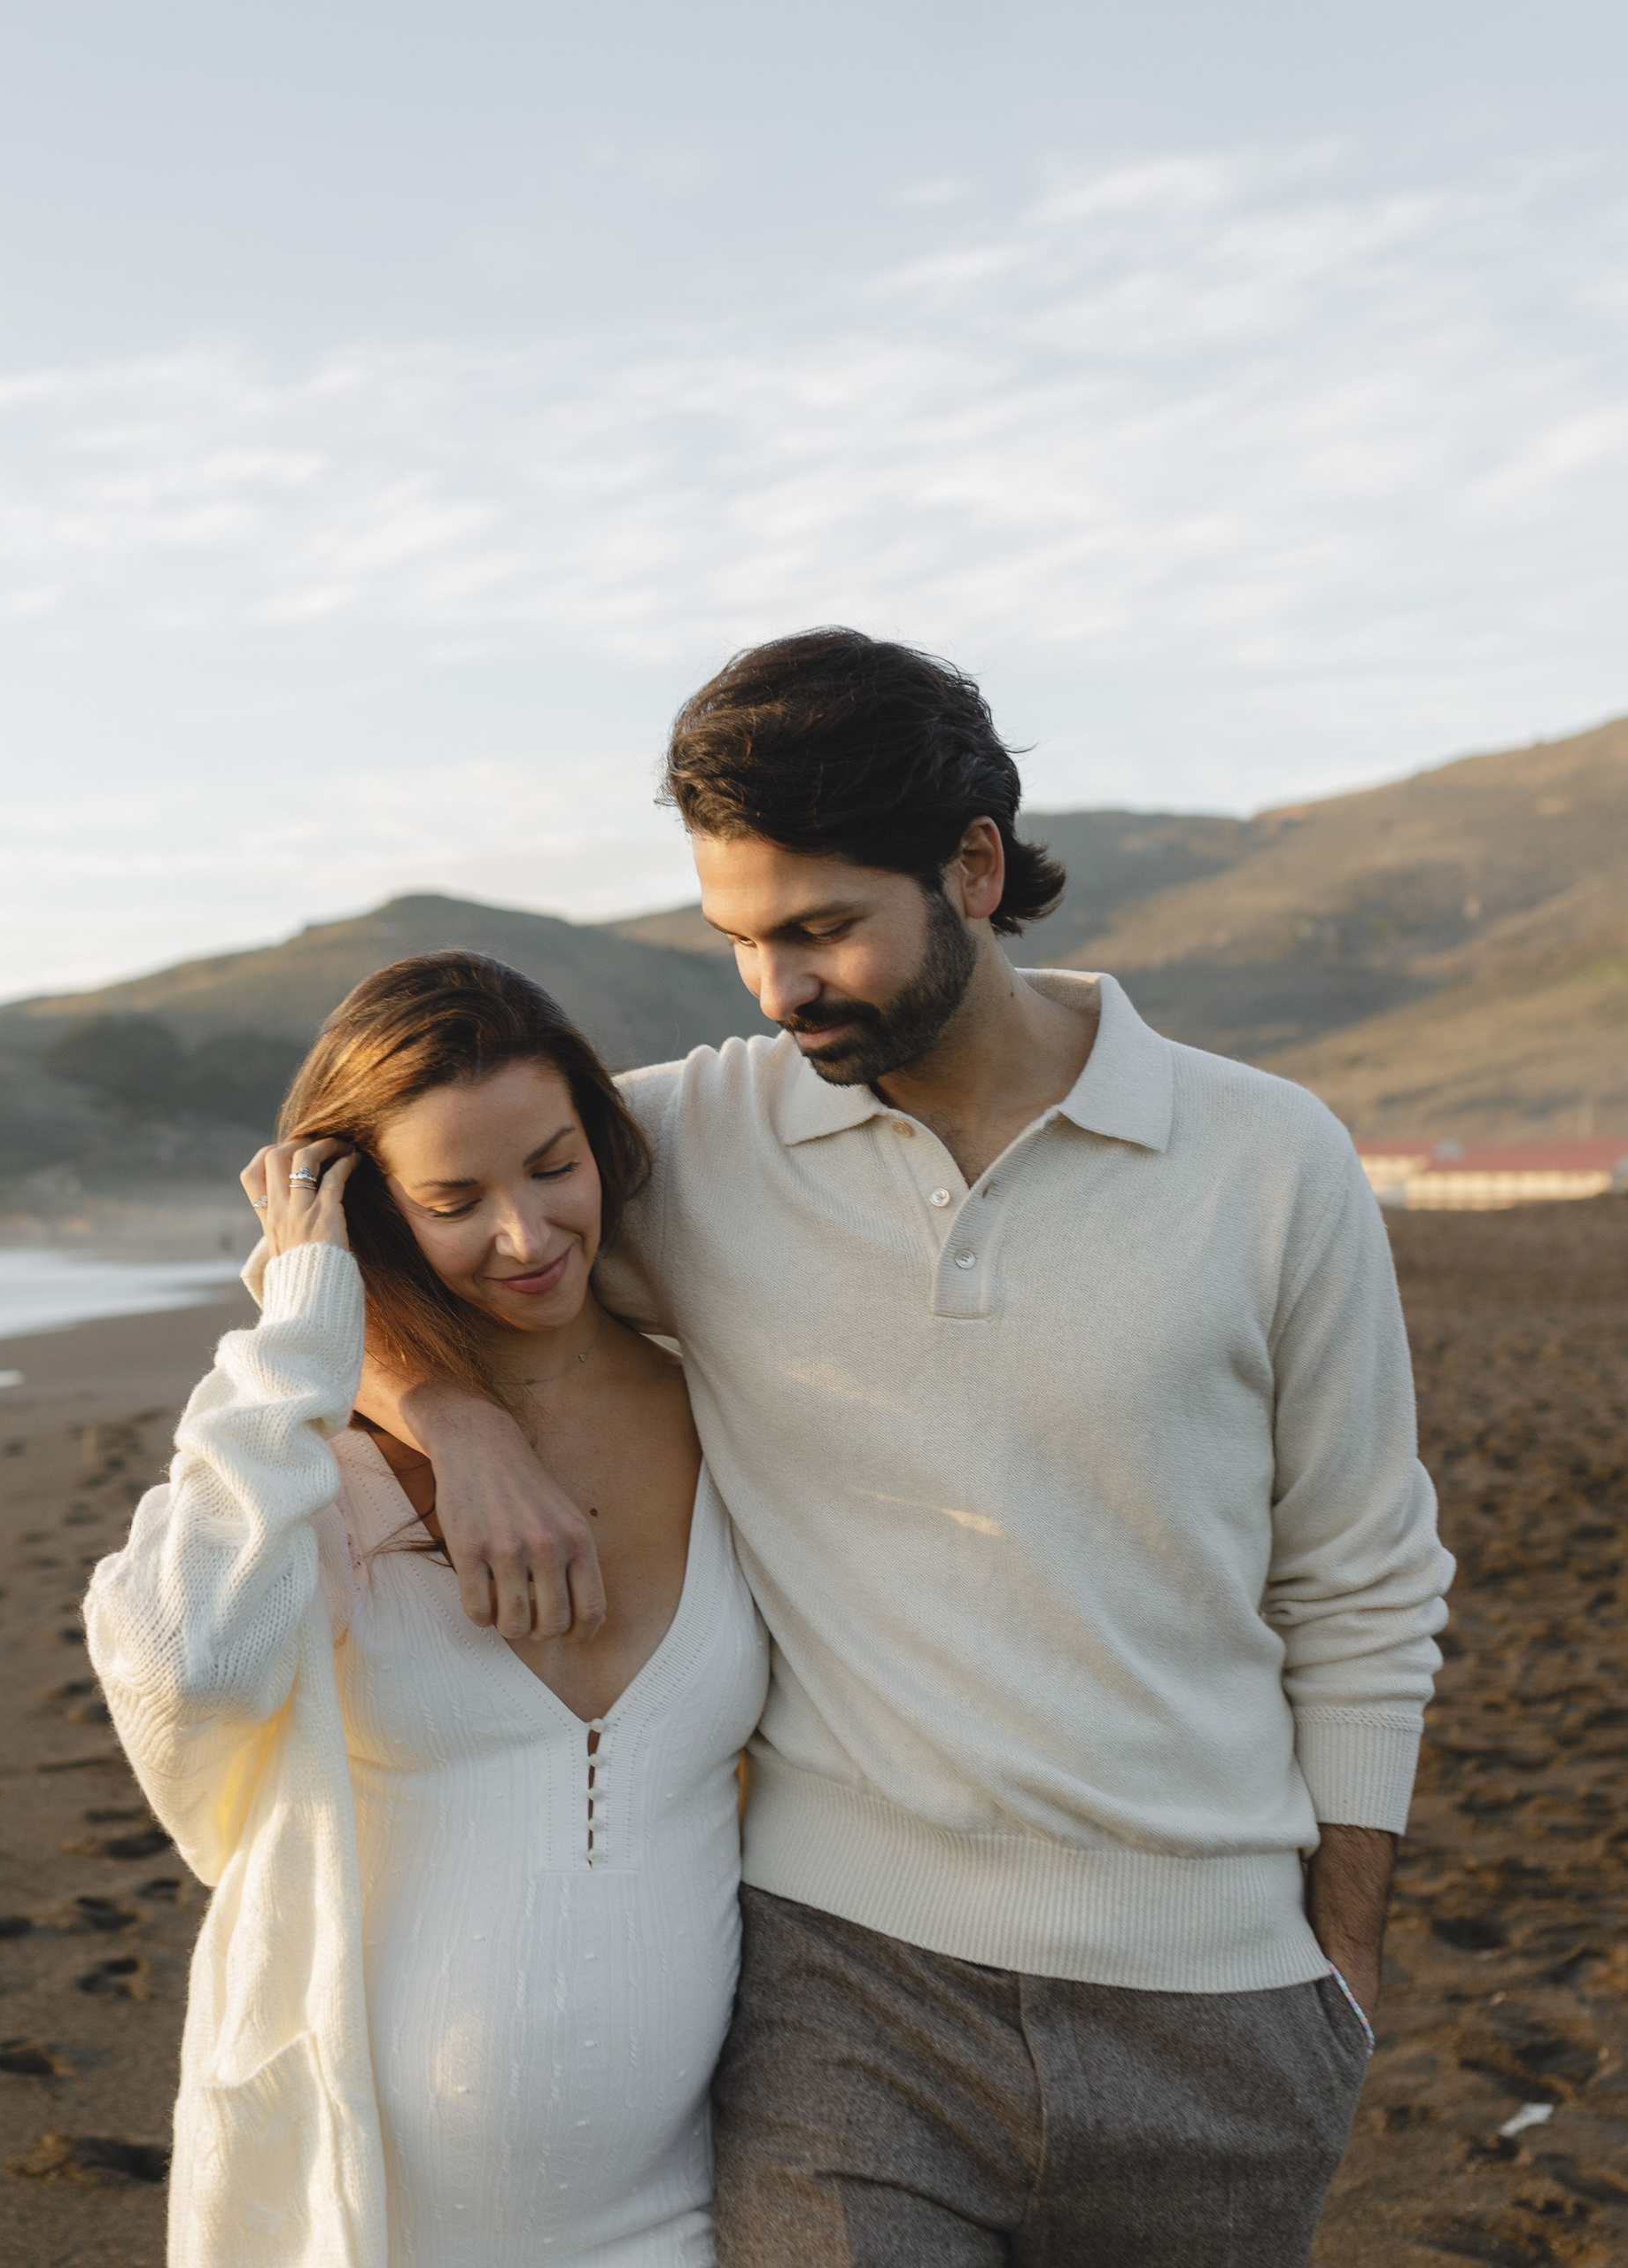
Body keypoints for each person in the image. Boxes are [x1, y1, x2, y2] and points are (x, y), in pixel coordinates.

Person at [363, 630, 1456, 2266]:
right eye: (739, 938)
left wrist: (1339, 1985)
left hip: (1225, 2010)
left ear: (973, 865)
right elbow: (345, 1221)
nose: (778, 989)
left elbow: (1364, 1580)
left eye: (822, 930)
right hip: (846, 1990)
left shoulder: (1271, 1157)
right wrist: (448, 1414)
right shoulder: (690, 1142)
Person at [83, 953, 769, 2268]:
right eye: (454, 1200)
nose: (525, 1236)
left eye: (554, 1166)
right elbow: (190, 1671)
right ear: (370, 1212)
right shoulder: (306, 1459)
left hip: (684, 2216)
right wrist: (307, 1329)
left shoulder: (730, 1407)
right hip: (366, 2221)